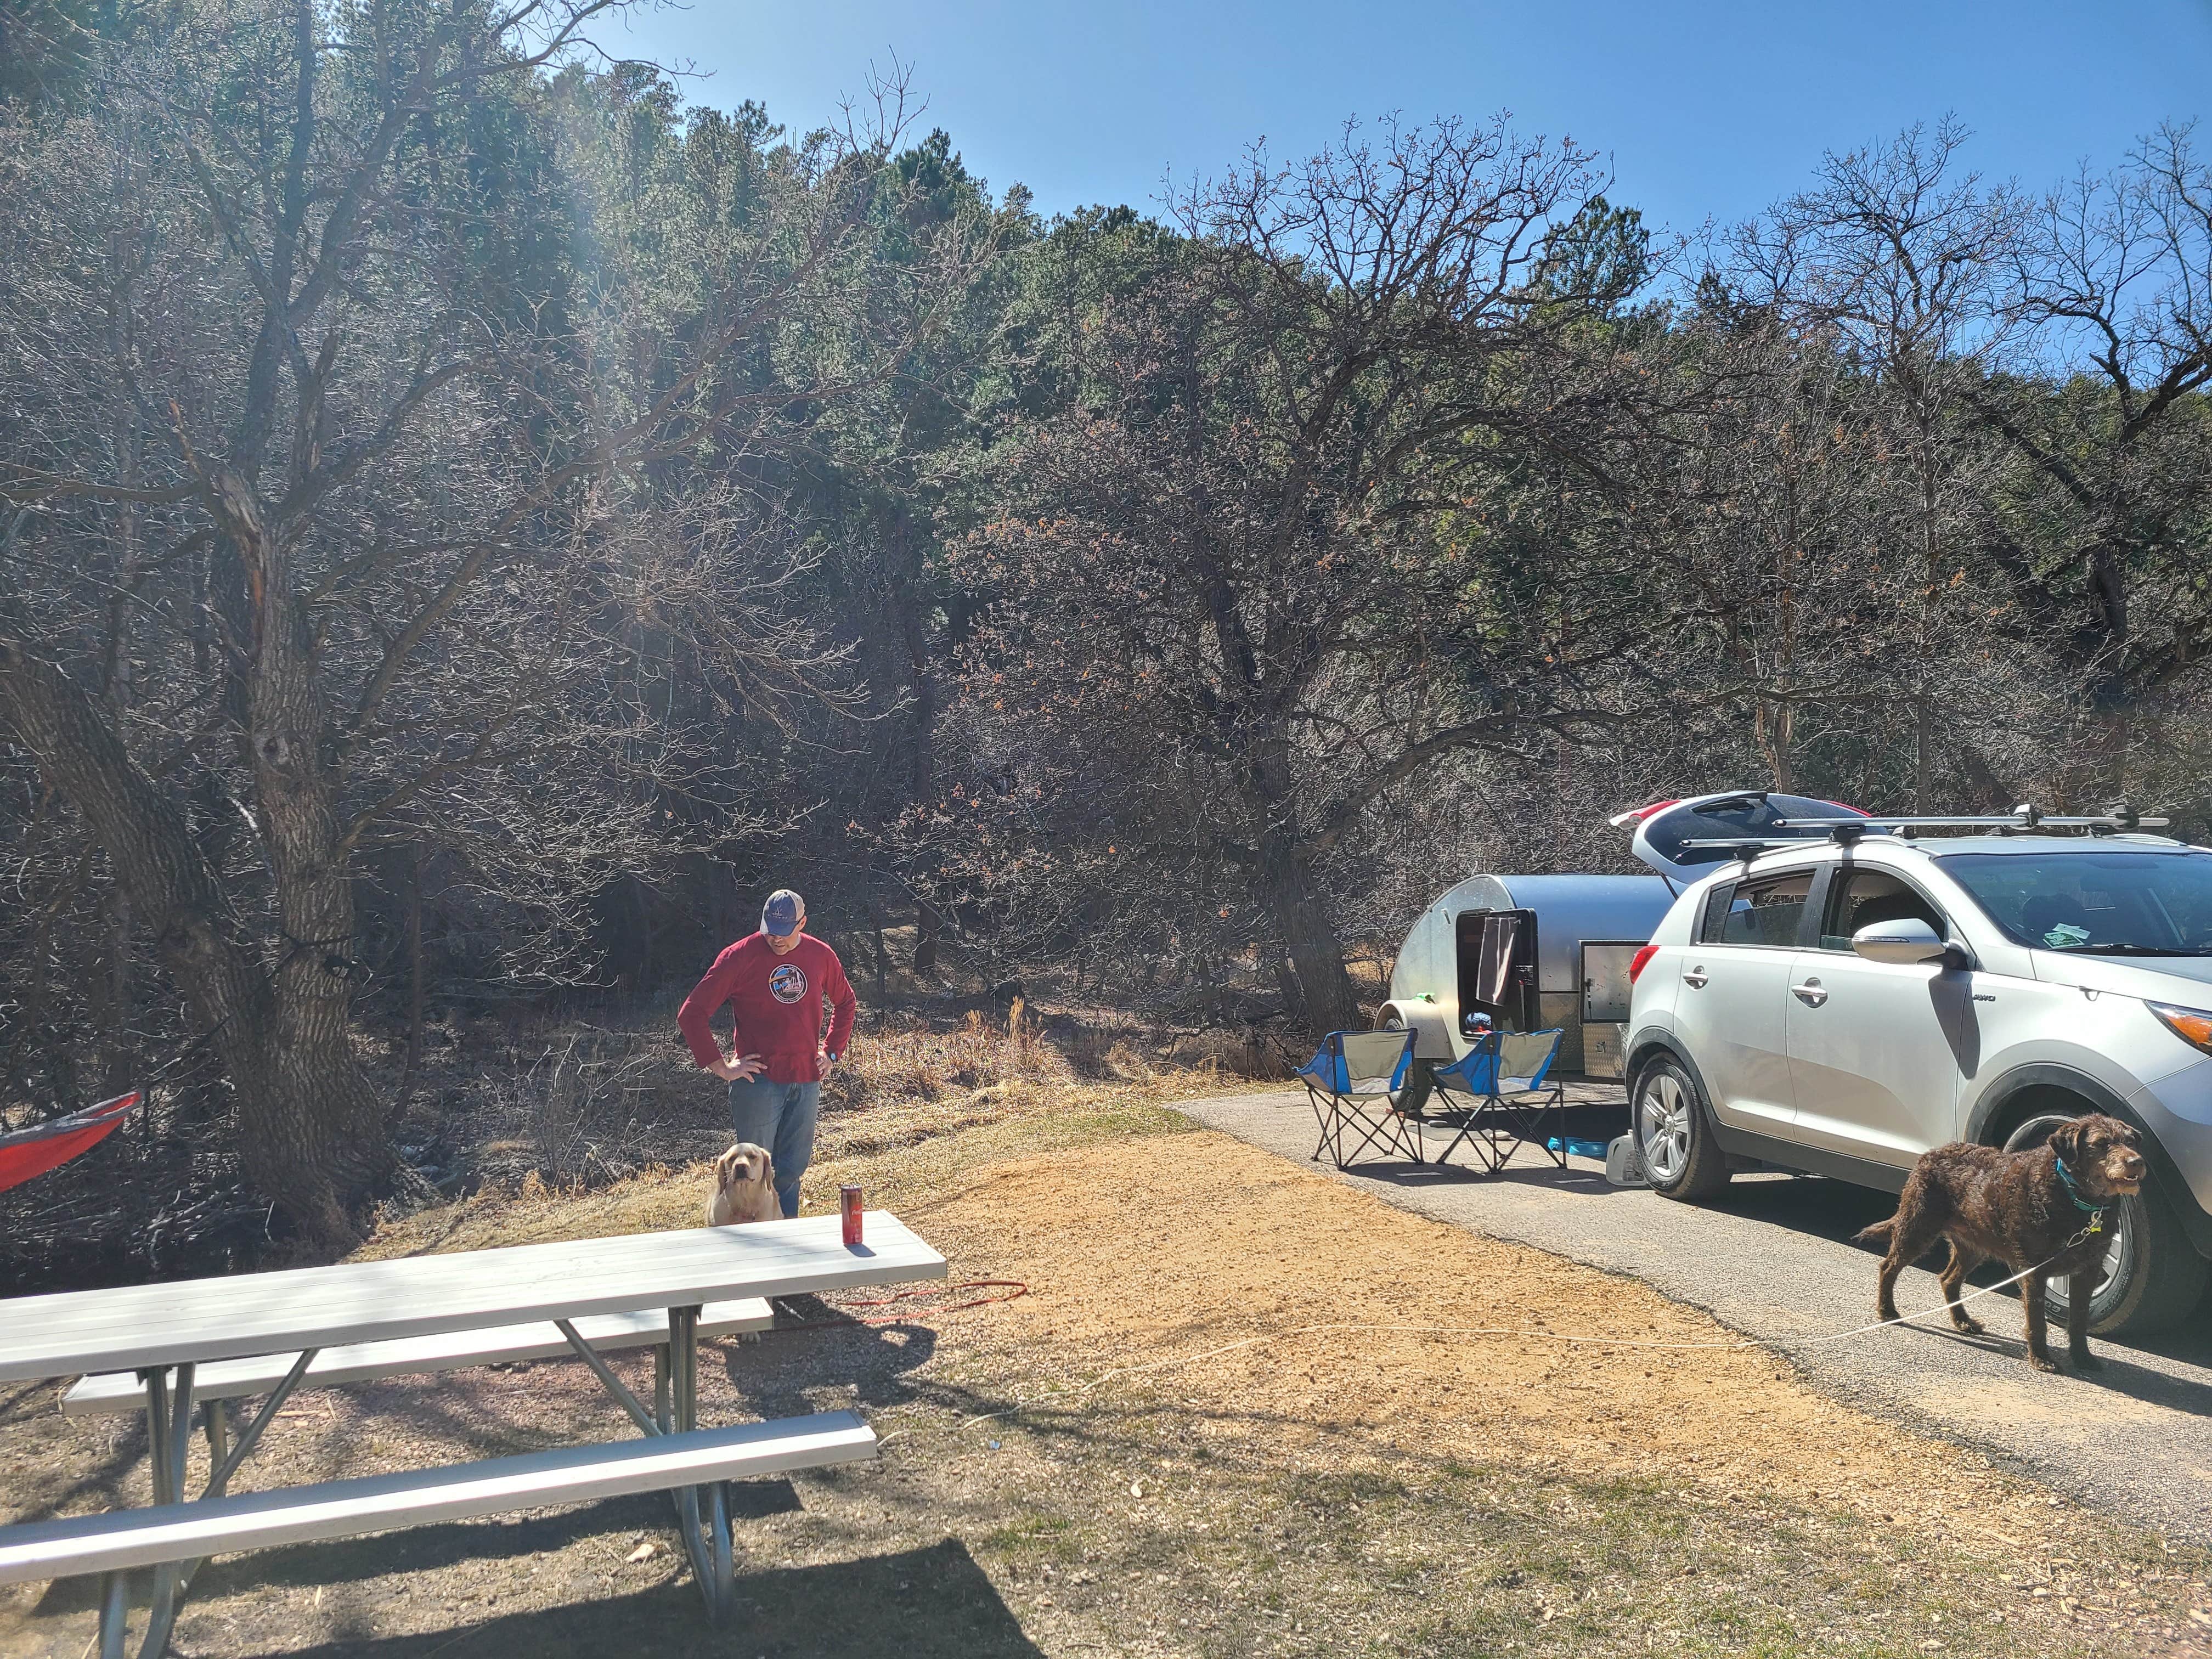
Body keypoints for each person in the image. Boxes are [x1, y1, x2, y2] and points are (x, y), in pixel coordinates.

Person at [678, 888, 856, 1219]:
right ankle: (749, 1253)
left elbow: (846, 1002)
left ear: (802, 923)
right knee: (750, 1177)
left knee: (789, 1173)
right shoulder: (739, 956)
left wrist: (831, 1054)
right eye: (771, 931)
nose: (777, 939)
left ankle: (786, 1251)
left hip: (805, 1080)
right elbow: (691, 1013)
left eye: (785, 932)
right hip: (758, 1084)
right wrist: (723, 1067)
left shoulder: (820, 955)